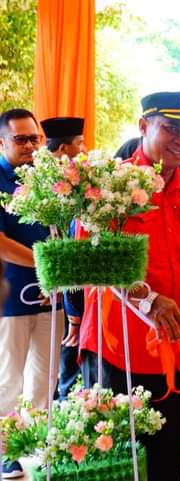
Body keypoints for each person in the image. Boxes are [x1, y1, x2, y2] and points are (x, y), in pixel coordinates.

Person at [77, 91, 180, 481]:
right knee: (116, 459)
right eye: (171, 128)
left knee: (167, 453)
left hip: (175, 345)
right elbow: (90, 260)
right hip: (117, 348)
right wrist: (148, 299)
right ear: (143, 126)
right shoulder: (106, 186)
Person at [0, 109, 61, 480]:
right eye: (20, 139)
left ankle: (38, 447)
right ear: (2, 142)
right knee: (8, 380)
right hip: (9, 298)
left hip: (51, 296)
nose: (30, 146)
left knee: (44, 379)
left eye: (34, 138)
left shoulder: (49, 178)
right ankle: (5, 451)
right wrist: (48, 264)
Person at [40, 117, 88, 402]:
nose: (84, 149)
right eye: (79, 143)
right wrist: (74, 315)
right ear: (63, 149)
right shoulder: (49, 189)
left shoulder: (75, 185)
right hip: (54, 292)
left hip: (67, 291)